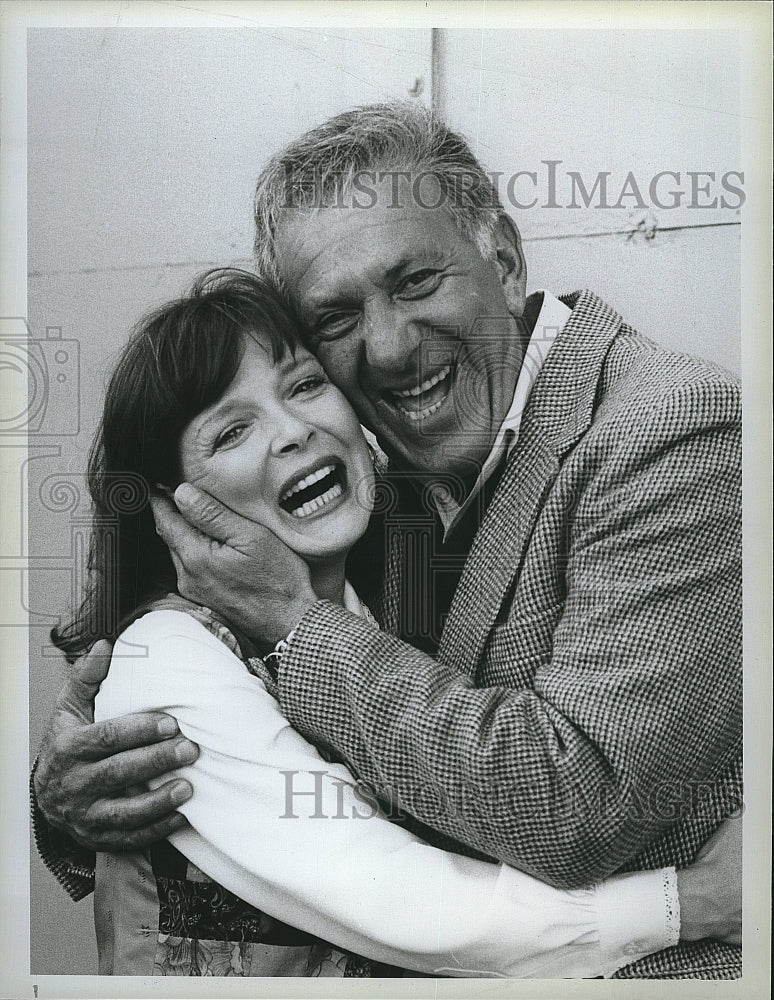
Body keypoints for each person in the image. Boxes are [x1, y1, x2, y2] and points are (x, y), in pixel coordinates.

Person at [34, 103, 742, 979]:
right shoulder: (365, 491)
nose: (391, 346)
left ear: (506, 258)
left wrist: (298, 624)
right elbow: (304, 792)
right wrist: (79, 809)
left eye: (415, 281)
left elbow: (576, 808)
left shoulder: (674, 431)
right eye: (334, 319)